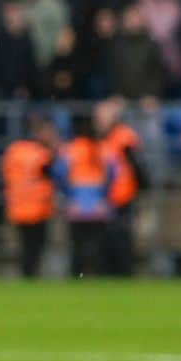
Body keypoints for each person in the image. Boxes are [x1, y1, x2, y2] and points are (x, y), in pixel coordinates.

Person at [54, 115, 116, 278]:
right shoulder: (104, 149)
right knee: (98, 244)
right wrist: (104, 195)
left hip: (76, 204)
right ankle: (98, 275)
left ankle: (77, 275)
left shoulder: (70, 150)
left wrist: (69, 194)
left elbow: (59, 174)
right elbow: (114, 174)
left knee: (77, 245)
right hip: (98, 204)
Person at [94, 97, 148, 277]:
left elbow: (136, 165)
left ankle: (124, 273)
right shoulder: (101, 139)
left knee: (122, 236)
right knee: (105, 238)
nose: (99, 120)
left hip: (122, 195)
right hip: (103, 197)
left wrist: (140, 187)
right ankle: (108, 273)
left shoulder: (123, 136)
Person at [0, 117, 57, 278]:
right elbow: (51, 175)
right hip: (37, 207)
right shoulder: (42, 154)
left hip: (17, 206)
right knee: (36, 246)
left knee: (25, 247)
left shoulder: (14, 150)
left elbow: (7, 174)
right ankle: (30, 275)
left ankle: (26, 275)